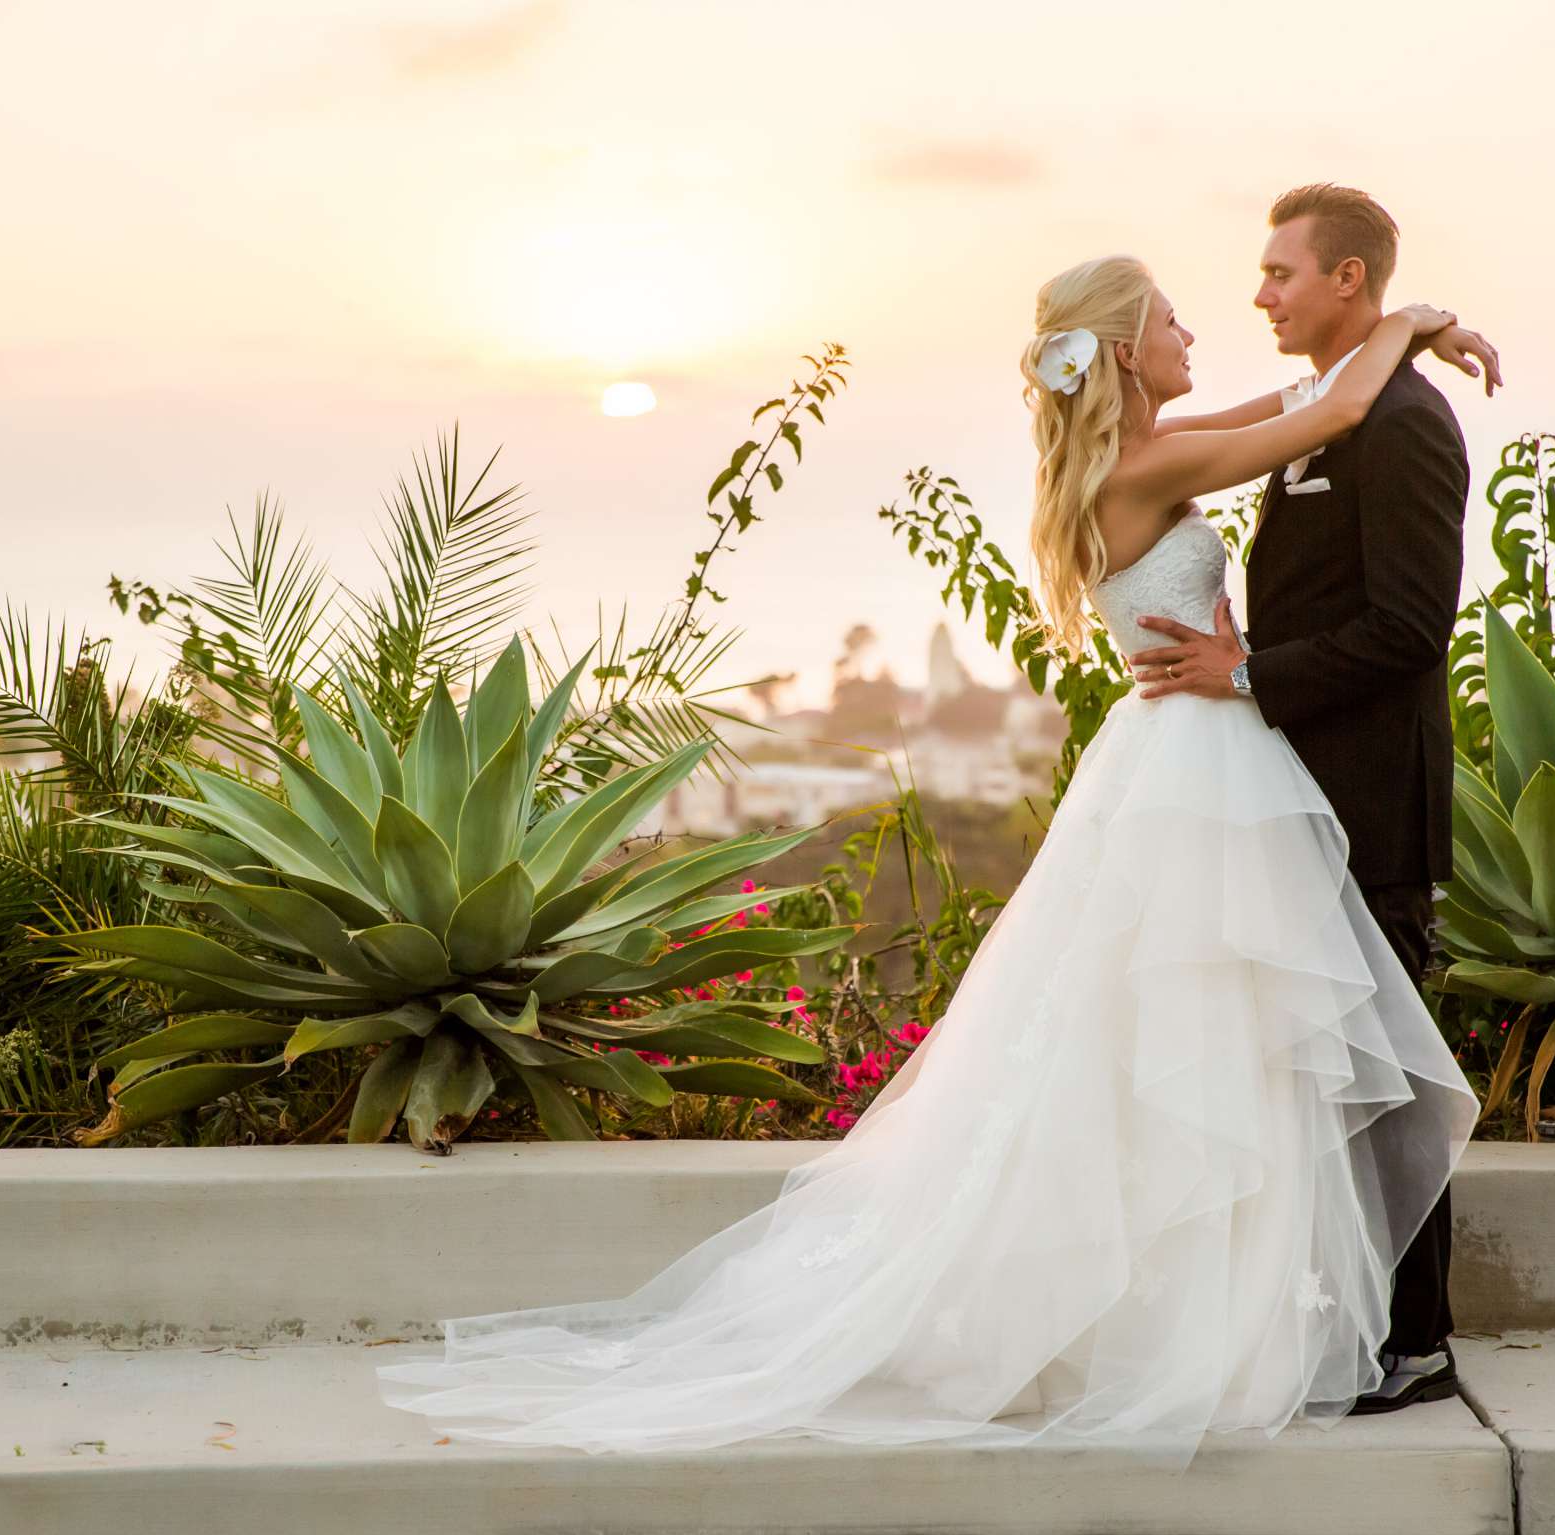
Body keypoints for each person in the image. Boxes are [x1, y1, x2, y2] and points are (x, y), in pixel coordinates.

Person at [375, 240, 1490, 1461]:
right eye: (1172, 319)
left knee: (1161, 1038)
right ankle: (1226, 1312)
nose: (1196, 330)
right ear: (1125, 349)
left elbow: (1293, 404)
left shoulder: (1139, 453)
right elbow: (1326, 406)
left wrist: (1400, 335)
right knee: (1191, 1033)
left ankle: (1225, 1302)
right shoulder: (1151, 462)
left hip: (1185, 760)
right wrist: (1414, 319)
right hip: (1199, 761)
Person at [1128, 183, 1492, 1412]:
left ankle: (1419, 1342)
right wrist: (1421, 318)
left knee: (1384, 1077)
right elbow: (1305, 417)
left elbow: (1407, 629)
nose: (1259, 293)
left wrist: (1249, 671)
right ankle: (1345, 1317)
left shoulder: (1401, 426)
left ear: (1349, 280)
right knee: (1325, 1072)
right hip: (1287, 801)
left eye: (1281, 272)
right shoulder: (1323, 411)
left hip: (1371, 803)